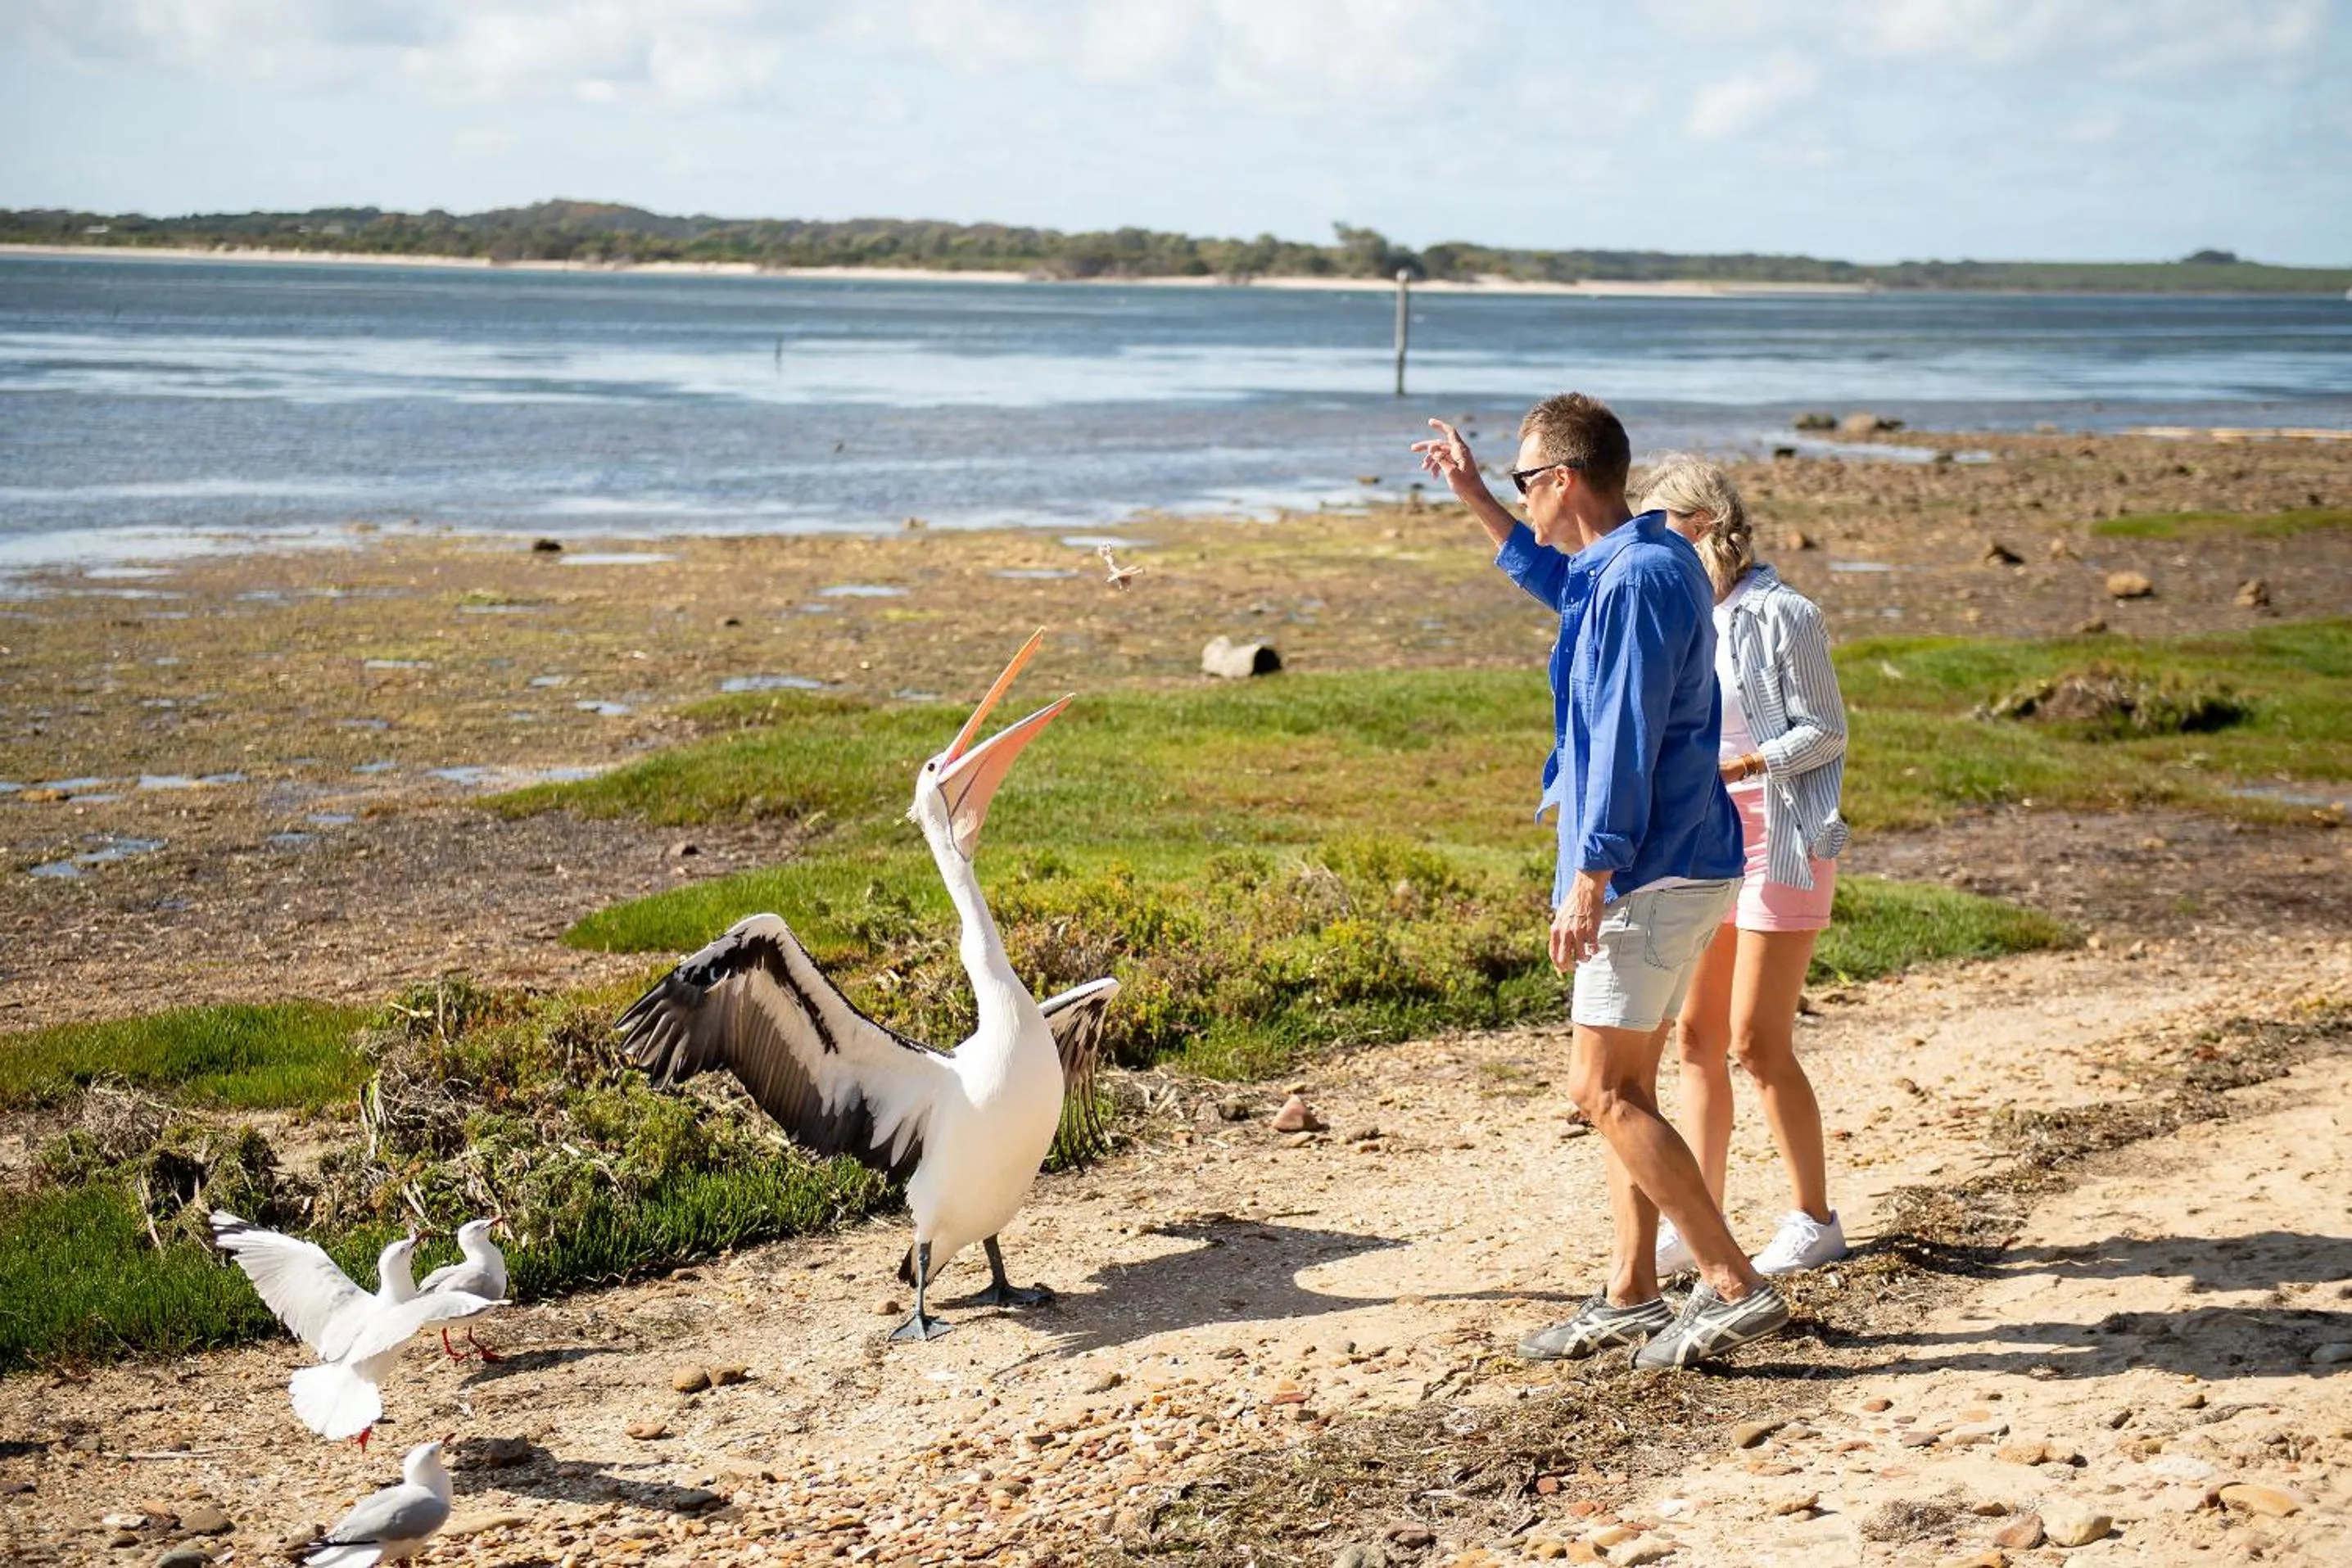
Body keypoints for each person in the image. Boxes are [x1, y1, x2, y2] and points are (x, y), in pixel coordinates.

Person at [1413, 397, 1792, 1369]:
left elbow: (1623, 733)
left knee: (1600, 1091)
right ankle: (1630, 1292)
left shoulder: (1631, 581)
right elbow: (1557, 577)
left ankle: (1734, 1286)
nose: (1519, 495)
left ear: (1564, 481)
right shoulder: (1644, 561)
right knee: (1631, 1082)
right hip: (1682, 863)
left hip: (1647, 869)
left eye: (1520, 480)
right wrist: (1470, 495)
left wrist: (1592, 873)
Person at [1641, 455, 1852, 1278]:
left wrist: (1748, 763)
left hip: (1781, 843)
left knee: (1756, 1043)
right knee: (1695, 1038)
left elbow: (1826, 731)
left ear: (1697, 528)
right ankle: (1702, 1220)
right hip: (1704, 844)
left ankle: (1813, 1217)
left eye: (1659, 531)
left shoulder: (1783, 612)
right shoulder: (1687, 613)